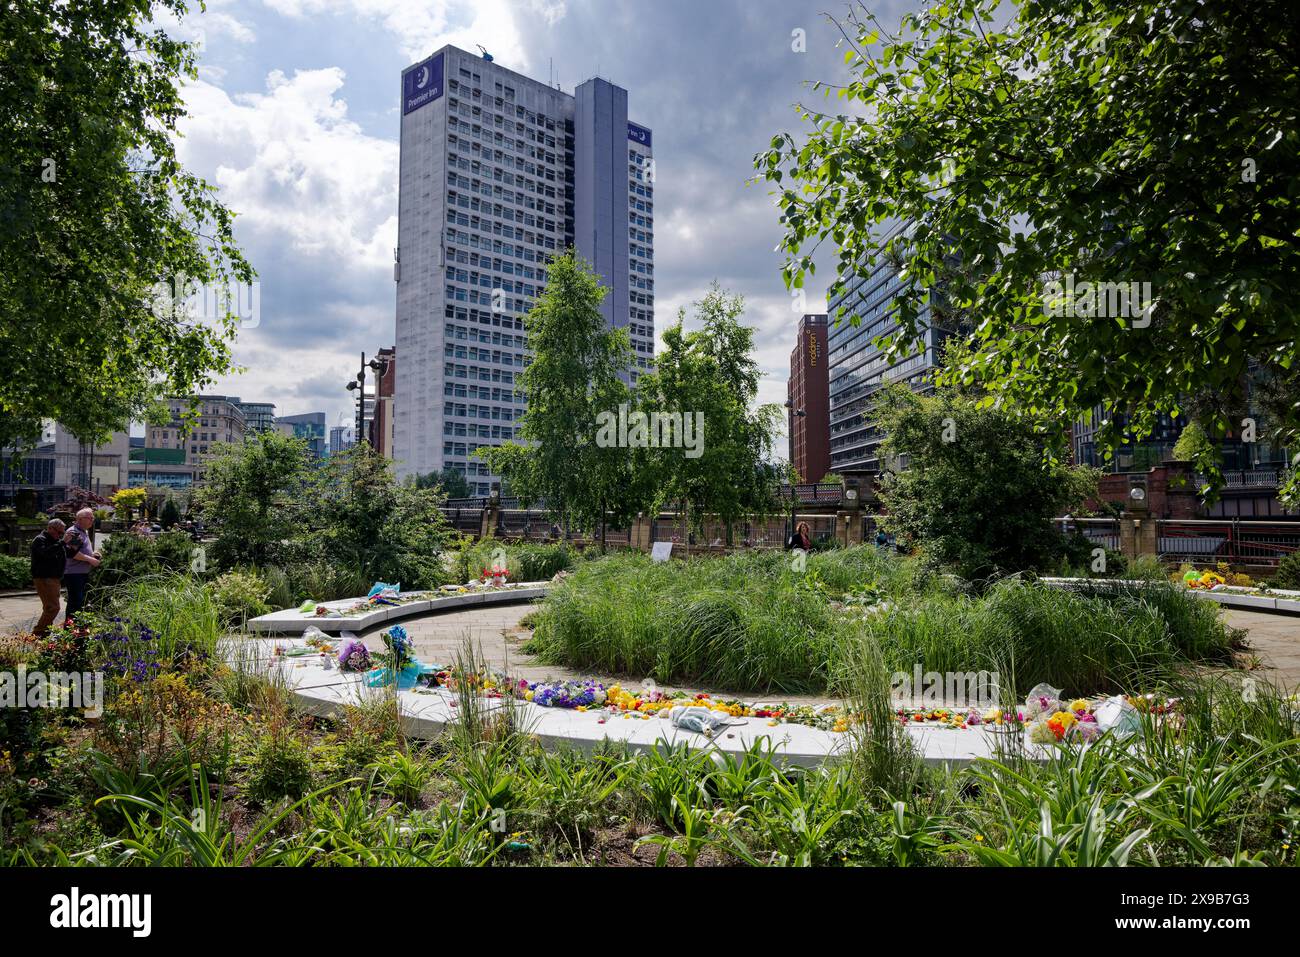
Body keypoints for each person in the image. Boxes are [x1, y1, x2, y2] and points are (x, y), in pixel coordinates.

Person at [29, 518, 75, 637]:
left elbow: (66, 554)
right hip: (44, 578)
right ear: (50, 528)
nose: (60, 535)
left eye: (62, 533)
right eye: (59, 532)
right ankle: (38, 633)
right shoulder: (40, 540)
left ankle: (44, 632)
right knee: (53, 608)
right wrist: (62, 542)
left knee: (50, 607)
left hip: (53, 578)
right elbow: (46, 554)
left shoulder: (56, 541)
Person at [62, 507, 102, 623]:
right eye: (89, 518)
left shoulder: (83, 531)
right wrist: (91, 559)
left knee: (79, 602)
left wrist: (93, 554)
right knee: (75, 603)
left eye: (93, 518)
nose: (92, 520)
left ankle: (76, 629)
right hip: (74, 574)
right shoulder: (74, 532)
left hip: (81, 573)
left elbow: (80, 550)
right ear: (80, 519)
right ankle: (70, 630)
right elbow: (71, 553)